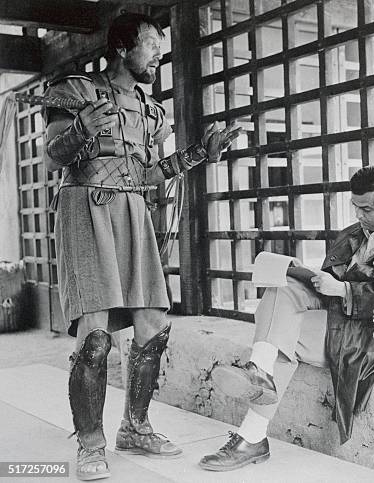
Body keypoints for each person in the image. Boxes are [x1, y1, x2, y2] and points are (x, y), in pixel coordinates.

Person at [42, 13, 240, 481]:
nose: (158, 55)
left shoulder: (152, 112)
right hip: (85, 208)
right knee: (94, 336)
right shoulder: (77, 91)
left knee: (153, 324)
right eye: (151, 45)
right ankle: (91, 444)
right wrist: (81, 131)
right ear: (123, 48)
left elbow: (148, 175)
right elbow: (54, 156)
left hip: (132, 212)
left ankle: (137, 425)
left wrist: (198, 155)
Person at [199, 163, 374, 471]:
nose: (358, 216)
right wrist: (310, 277)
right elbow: (328, 288)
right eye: (354, 207)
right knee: (282, 287)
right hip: (343, 319)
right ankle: (260, 373)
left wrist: (343, 289)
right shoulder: (355, 233)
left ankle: (252, 434)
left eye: (366, 209)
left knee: (284, 336)